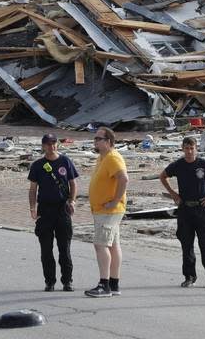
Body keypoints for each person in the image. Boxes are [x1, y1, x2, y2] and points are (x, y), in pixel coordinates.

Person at [160, 136, 205, 288]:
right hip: (184, 210)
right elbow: (162, 176)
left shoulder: (204, 164)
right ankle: (189, 277)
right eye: (186, 148)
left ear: (196, 149)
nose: (189, 151)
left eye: (192, 148)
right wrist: (173, 193)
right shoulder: (178, 165)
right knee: (186, 245)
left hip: (201, 209)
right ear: (182, 148)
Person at [27, 133, 79, 291]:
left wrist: (72, 201)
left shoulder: (65, 161)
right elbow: (33, 189)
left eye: (54, 143)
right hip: (45, 209)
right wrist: (32, 208)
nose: (52, 146)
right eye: (48, 144)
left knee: (65, 248)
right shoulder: (38, 165)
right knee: (46, 249)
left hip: (62, 208)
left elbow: (73, 183)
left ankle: (67, 281)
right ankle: (49, 281)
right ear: (43, 146)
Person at [85, 127, 128, 298]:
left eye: (98, 139)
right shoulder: (102, 158)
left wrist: (115, 201)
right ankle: (114, 282)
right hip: (103, 209)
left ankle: (104, 285)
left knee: (100, 244)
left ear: (108, 142)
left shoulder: (112, 157)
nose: (95, 141)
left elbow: (124, 179)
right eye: (95, 138)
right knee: (113, 245)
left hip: (108, 210)